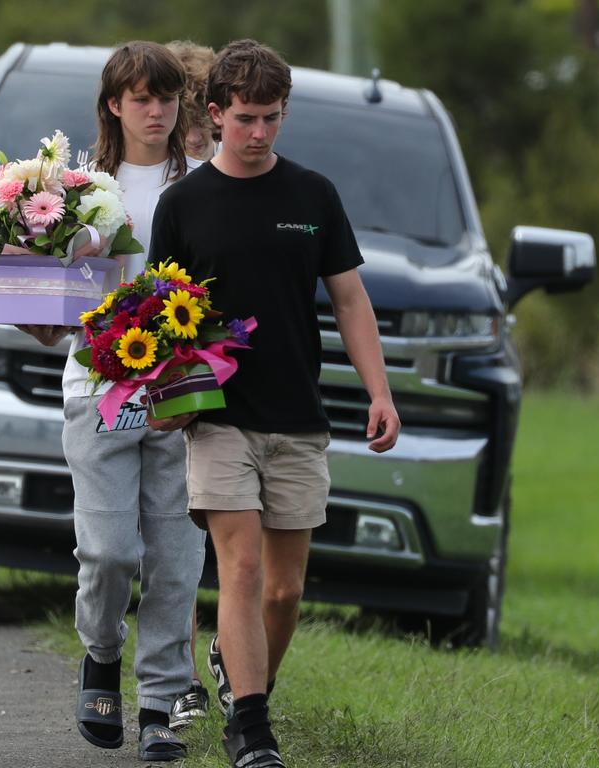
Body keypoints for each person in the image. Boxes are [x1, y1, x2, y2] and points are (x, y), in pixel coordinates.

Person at [149, 39, 401, 768]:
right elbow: (160, 318)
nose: (259, 133)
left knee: (286, 592)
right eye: (247, 118)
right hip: (220, 416)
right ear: (215, 112)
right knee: (243, 569)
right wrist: (169, 395)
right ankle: (251, 732)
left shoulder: (313, 196)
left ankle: (239, 678)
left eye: (273, 118)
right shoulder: (183, 205)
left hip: (300, 417)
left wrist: (379, 392)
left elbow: (349, 299)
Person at [37, 41, 206, 763]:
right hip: (100, 388)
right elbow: (49, 311)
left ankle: (161, 703)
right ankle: (101, 653)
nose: (156, 109)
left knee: (176, 558)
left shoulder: (206, 183)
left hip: (184, 395)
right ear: (114, 104)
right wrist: (37, 301)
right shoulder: (79, 186)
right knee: (108, 550)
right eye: (141, 97)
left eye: (166, 97)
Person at [159, 38, 217, 734]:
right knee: (168, 535)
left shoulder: (219, 179)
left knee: (200, 533)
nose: (192, 134)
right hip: (151, 369)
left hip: (209, 365)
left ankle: (198, 671)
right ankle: (178, 675)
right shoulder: (132, 173)